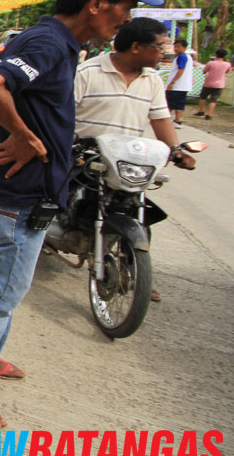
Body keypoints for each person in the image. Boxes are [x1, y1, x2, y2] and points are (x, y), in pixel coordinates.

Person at [0, 0, 162, 429]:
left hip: (27, 190)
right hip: (17, 193)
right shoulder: (49, 44)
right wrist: (24, 135)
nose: (128, 18)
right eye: (125, 6)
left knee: (8, 289)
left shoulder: (58, 43)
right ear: (97, 2)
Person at [73, 17, 197, 302]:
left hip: (127, 160)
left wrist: (176, 151)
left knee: (140, 212)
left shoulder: (152, 80)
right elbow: (62, 113)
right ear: (137, 47)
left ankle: (137, 271)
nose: (164, 53)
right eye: (159, 47)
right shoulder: (88, 71)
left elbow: (161, 119)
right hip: (85, 158)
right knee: (52, 201)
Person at [194, 49, 232, 120]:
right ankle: (209, 114)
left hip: (208, 83)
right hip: (219, 84)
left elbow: (204, 71)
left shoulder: (211, 63)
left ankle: (201, 111)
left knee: (203, 97)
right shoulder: (227, 64)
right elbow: (227, 72)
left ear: (216, 54)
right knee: (214, 100)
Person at [165, 39, 194, 128]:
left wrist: (173, 82)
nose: (175, 48)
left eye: (178, 46)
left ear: (184, 47)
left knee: (170, 103)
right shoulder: (188, 57)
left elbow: (181, 69)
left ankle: (166, 121)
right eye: (175, 46)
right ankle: (177, 120)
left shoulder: (182, 57)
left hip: (177, 86)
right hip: (183, 86)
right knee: (179, 104)